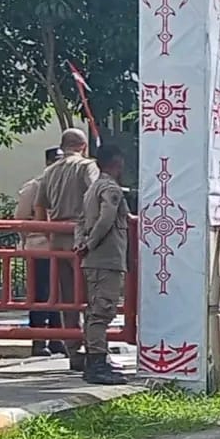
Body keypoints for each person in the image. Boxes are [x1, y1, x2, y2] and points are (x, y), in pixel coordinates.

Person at [34, 128, 100, 371]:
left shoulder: (49, 171)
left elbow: (40, 209)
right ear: (83, 146)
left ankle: (74, 352)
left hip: (58, 239)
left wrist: (49, 233)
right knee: (93, 293)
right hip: (83, 237)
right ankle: (95, 350)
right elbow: (95, 195)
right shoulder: (87, 167)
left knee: (67, 297)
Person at [74, 144, 130, 386]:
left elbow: (80, 220)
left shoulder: (92, 189)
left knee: (95, 310)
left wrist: (81, 242)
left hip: (95, 259)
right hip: (106, 257)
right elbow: (107, 217)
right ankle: (96, 363)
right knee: (101, 311)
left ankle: (95, 359)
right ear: (116, 163)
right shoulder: (109, 188)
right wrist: (91, 242)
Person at [15, 147, 65, 357]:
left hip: (63, 247)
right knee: (40, 294)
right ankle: (39, 339)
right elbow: (20, 217)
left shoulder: (67, 186)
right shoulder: (36, 186)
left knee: (61, 294)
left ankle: (58, 337)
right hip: (41, 247)